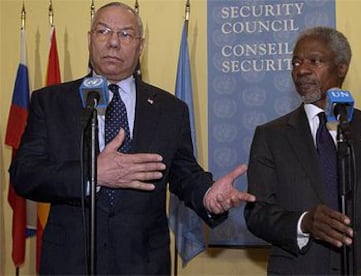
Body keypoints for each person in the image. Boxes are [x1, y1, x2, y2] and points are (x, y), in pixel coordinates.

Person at [9, 2, 255, 275]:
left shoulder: (170, 109)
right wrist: (93, 174)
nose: (113, 42)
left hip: (143, 263)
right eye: (103, 31)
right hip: (69, 263)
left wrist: (208, 194)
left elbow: (184, 173)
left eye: (125, 34)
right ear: (90, 39)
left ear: (141, 46)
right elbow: (24, 174)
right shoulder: (50, 102)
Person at [244, 26, 361, 275]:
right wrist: (304, 222)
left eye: (314, 61)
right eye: (296, 62)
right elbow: (257, 214)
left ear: (342, 67)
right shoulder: (271, 136)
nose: (301, 70)